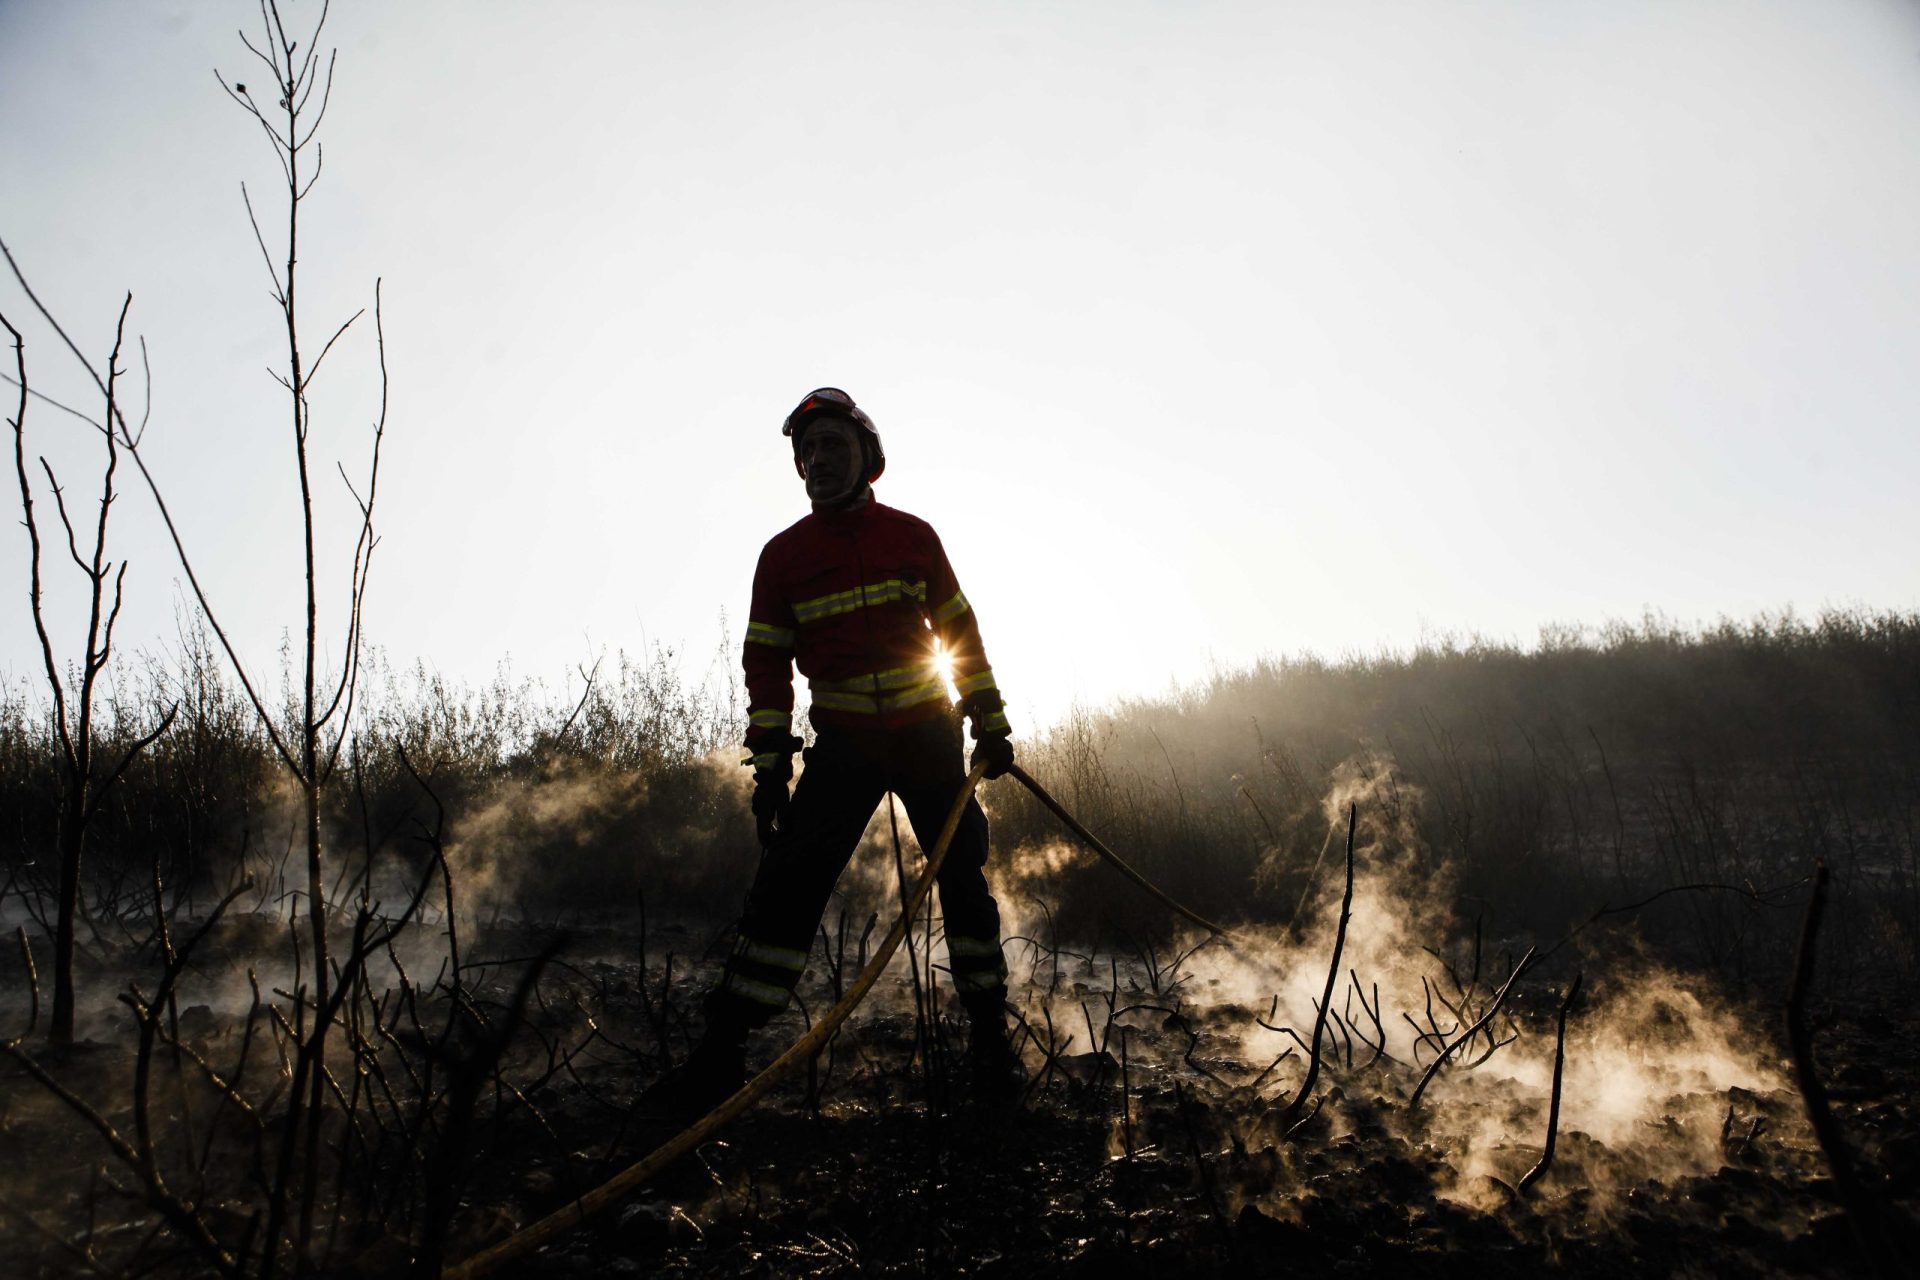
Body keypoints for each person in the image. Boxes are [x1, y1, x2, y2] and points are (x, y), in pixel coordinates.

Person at [648, 387, 1021, 1115]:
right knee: (787, 886)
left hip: (927, 738)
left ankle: (988, 1041)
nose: (817, 461)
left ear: (867, 461)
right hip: (844, 748)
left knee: (963, 876)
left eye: (833, 448)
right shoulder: (782, 558)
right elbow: (765, 669)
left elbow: (958, 632)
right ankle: (722, 1053)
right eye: (806, 451)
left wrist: (990, 718)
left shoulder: (913, 537)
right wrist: (768, 768)